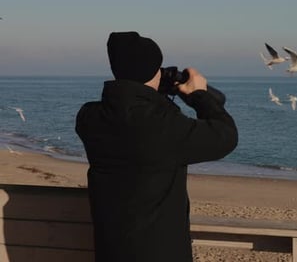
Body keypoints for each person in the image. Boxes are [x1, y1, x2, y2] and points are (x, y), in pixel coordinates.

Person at [75, 31, 238, 262]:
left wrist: (150, 94)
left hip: (111, 250)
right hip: (160, 251)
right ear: (153, 71)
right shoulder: (161, 125)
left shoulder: (89, 118)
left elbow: (127, 116)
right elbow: (226, 136)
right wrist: (199, 95)